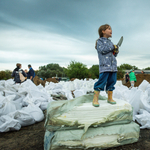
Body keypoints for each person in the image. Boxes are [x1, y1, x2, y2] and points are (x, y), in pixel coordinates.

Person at [93, 24, 119, 107]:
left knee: (112, 82)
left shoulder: (110, 42)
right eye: (109, 29)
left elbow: (113, 55)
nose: (111, 30)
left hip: (113, 67)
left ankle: (110, 98)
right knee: (101, 82)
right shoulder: (99, 41)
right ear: (103, 31)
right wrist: (112, 47)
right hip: (105, 66)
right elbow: (102, 50)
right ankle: (95, 99)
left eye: (111, 29)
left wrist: (116, 51)